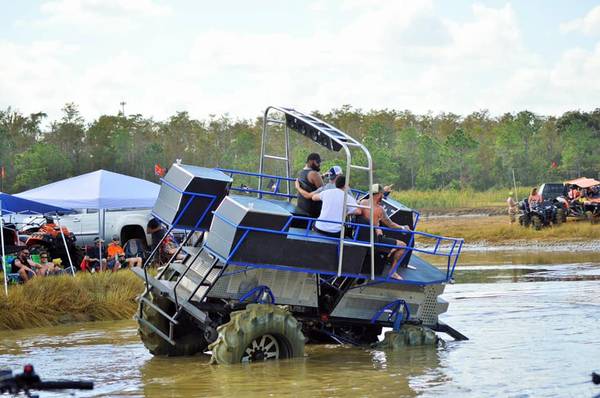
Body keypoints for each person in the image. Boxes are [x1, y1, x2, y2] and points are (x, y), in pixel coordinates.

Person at [358, 184, 413, 280]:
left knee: (382, 236)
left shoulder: (362, 203)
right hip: (374, 240)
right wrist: (403, 228)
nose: (383, 196)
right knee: (403, 245)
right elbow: (391, 225)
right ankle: (392, 272)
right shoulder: (380, 210)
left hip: (361, 236)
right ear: (379, 194)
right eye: (382, 194)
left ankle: (390, 251)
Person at [296, 153, 324, 217]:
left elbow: (309, 183)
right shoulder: (314, 174)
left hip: (302, 206)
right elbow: (322, 190)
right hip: (313, 210)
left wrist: (322, 176)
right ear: (310, 161)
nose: (319, 164)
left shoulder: (301, 172)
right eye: (318, 162)